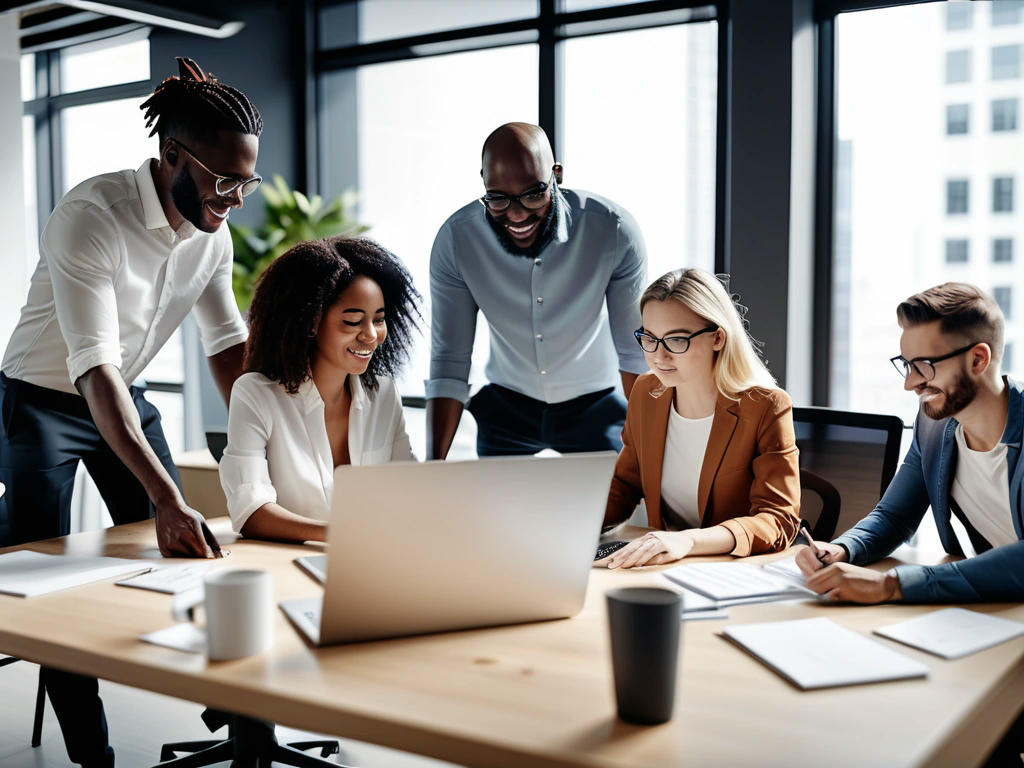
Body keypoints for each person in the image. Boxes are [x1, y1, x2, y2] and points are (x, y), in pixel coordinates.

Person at [0, 57, 261, 768]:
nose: (236, 198)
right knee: (44, 585)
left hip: (123, 395)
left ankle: (241, 720)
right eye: (223, 180)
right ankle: (95, 758)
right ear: (172, 155)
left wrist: (262, 437)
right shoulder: (91, 216)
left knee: (191, 549)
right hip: (44, 401)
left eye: (247, 181)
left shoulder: (212, 235)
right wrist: (167, 495)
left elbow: (227, 344)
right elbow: (93, 367)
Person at [426, 122, 648, 459]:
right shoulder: (457, 240)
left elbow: (634, 353)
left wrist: (652, 450)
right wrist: (433, 466)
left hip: (597, 406)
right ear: (483, 181)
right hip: (505, 406)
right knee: (494, 511)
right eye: (498, 198)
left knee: (613, 510)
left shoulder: (613, 231)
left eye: (533, 194)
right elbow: (449, 359)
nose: (516, 214)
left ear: (556, 175)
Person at [796, 283, 1024, 604]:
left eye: (924, 366)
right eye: (906, 365)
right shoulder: (934, 424)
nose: (910, 384)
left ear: (977, 359)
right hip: (998, 604)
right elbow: (894, 517)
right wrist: (842, 549)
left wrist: (890, 584)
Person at [220, 236, 420, 542]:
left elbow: (409, 489)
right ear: (311, 322)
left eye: (378, 320)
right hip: (288, 566)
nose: (370, 335)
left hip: (373, 563)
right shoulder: (255, 394)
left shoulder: (383, 393)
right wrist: (340, 535)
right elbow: (251, 510)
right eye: (353, 321)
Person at [601, 268, 801, 569]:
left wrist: (688, 540)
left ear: (718, 338)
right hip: (662, 567)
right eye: (650, 338)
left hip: (730, 570)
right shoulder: (646, 391)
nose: (659, 356)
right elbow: (625, 486)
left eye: (676, 341)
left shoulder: (765, 406)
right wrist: (567, 525)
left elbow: (778, 519)